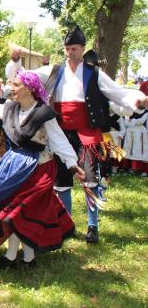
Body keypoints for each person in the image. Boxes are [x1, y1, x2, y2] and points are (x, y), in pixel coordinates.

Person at [33, 26, 148, 244]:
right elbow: (31, 77)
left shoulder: (93, 72)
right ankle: (65, 225)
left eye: (74, 48)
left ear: (82, 49)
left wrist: (137, 99)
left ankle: (92, 226)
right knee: (62, 181)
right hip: (61, 135)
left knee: (90, 180)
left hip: (87, 134)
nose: (69, 53)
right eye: (67, 49)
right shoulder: (55, 71)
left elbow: (117, 92)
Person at [0, 71, 84, 268]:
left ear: (29, 88)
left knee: (17, 212)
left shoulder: (43, 113)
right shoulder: (10, 108)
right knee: (15, 211)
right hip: (14, 166)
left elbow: (58, 139)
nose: (11, 88)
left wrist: (71, 163)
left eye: (16, 85)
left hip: (39, 168)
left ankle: (10, 258)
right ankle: (28, 258)